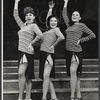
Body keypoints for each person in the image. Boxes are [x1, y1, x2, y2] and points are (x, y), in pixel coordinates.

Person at [62, 0, 96, 100]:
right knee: (75, 74)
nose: (74, 16)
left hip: (76, 52)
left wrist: (81, 40)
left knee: (73, 71)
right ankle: (79, 96)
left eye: (76, 15)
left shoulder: (82, 25)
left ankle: (72, 96)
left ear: (80, 17)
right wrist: (65, 2)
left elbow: (92, 35)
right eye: (73, 14)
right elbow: (64, 15)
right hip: (68, 52)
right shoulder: (69, 26)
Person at [13, 0, 43, 100]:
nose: (28, 16)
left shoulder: (33, 26)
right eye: (26, 15)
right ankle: (25, 97)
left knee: (22, 73)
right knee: (25, 75)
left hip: (27, 51)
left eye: (30, 15)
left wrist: (32, 43)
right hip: (21, 51)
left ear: (34, 17)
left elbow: (40, 35)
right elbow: (15, 15)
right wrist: (16, 2)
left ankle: (23, 97)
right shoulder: (22, 25)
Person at [39, 1, 65, 100]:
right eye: (51, 21)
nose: (53, 22)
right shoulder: (47, 30)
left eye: (55, 21)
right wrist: (50, 9)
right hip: (42, 53)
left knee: (46, 75)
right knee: (47, 77)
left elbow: (62, 37)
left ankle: (44, 97)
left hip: (49, 54)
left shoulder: (56, 30)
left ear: (57, 22)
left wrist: (53, 45)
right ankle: (54, 96)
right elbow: (47, 19)